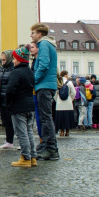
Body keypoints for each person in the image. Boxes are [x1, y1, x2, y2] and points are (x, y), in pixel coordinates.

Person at [30, 23, 59, 161]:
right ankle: (46, 145)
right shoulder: (46, 44)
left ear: (39, 34)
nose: (31, 35)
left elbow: (43, 64)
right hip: (46, 85)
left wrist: (33, 81)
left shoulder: (44, 45)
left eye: (33, 33)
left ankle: (51, 148)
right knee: (44, 117)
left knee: (46, 117)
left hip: (44, 85)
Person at [5, 46, 37, 167]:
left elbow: (10, 90)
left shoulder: (16, 72)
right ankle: (33, 157)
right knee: (29, 132)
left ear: (19, 59)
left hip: (19, 106)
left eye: (14, 58)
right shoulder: (30, 71)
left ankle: (25, 158)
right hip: (30, 105)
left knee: (21, 133)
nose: (13, 61)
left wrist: (8, 103)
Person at [0, 51, 16, 149]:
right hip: (2, 99)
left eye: (4, 60)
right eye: (2, 60)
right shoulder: (1, 69)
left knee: (14, 121)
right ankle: (9, 141)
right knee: (6, 121)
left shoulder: (13, 69)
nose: (2, 62)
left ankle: (20, 141)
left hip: (11, 99)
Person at [54, 70, 76, 136]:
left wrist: (57, 100)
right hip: (68, 103)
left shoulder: (58, 82)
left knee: (60, 118)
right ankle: (67, 131)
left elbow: (55, 93)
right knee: (68, 118)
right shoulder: (69, 83)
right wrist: (70, 99)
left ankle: (61, 131)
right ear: (66, 75)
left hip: (60, 103)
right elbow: (73, 92)